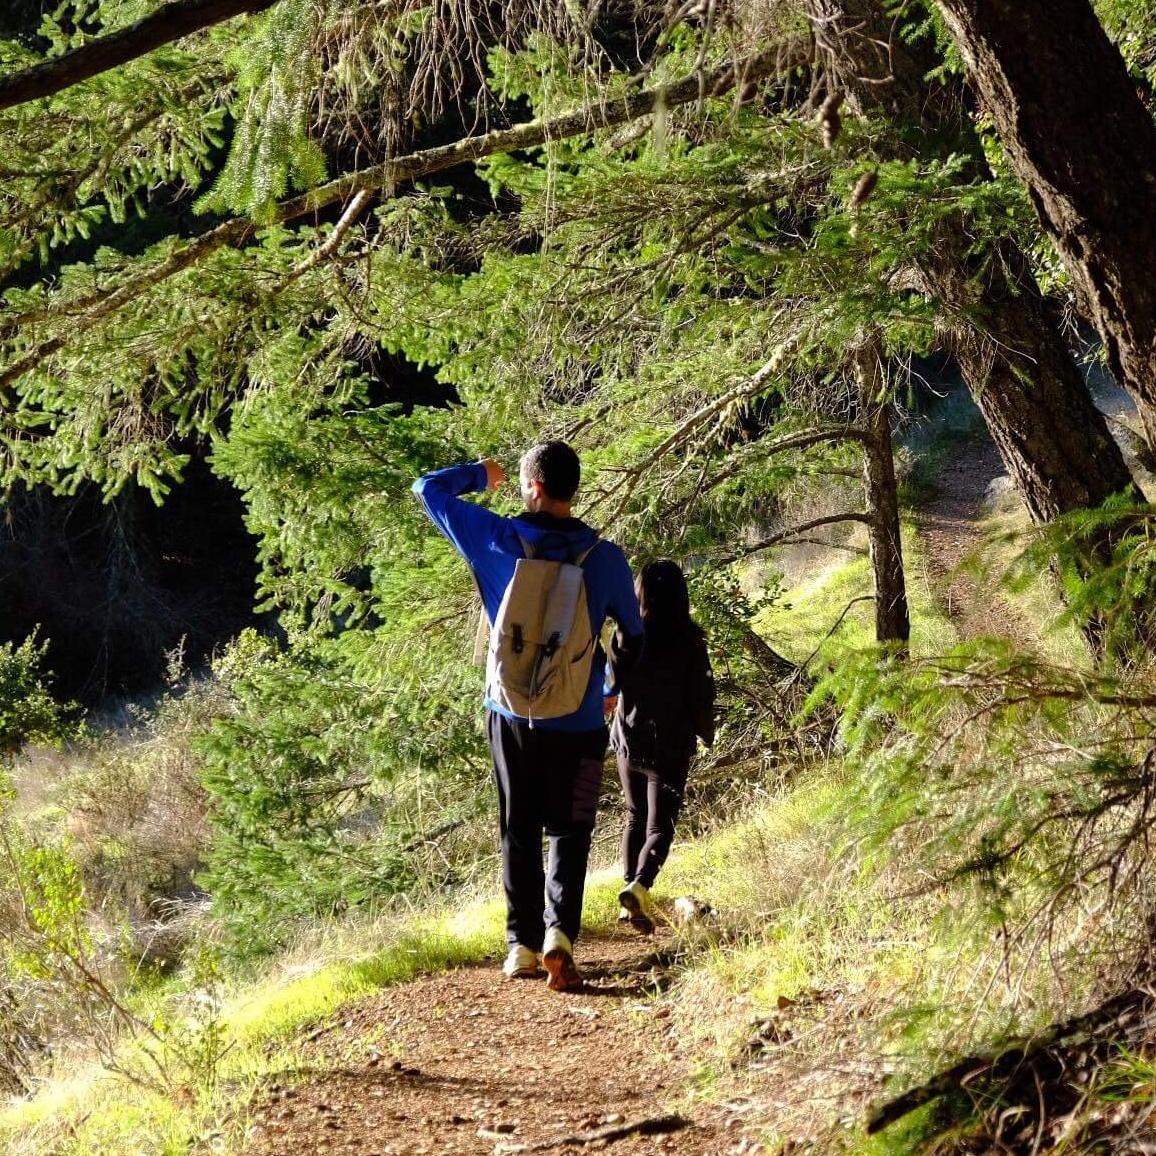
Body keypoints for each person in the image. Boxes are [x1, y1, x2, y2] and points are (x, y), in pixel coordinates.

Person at [412, 442, 643, 991]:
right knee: (572, 827)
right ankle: (559, 934)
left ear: (533, 488)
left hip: (510, 711)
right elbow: (633, 636)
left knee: (518, 826)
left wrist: (479, 474)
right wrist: (609, 686)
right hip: (581, 720)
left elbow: (427, 488)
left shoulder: (494, 538)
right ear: (572, 489)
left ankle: (520, 944)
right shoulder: (605, 559)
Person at [611, 560, 715, 932]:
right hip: (669, 744)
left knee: (635, 816)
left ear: (642, 594)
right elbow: (701, 695)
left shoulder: (627, 634)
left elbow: (612, 682)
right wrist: (705, 733)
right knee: (660, 825)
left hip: (628, 737)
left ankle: (630, 898)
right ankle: (639, 885)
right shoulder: (689, 641)